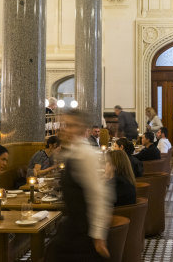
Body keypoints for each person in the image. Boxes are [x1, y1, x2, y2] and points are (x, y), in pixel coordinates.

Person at [45, 109, 112, 261]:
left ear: (82, 128)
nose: (66, 129)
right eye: (65, 124)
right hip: (72, 226)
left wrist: (99, 236)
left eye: (71, 125)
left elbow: (99, 195)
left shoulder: (86, 155)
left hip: (84, 230)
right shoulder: (71, 152)